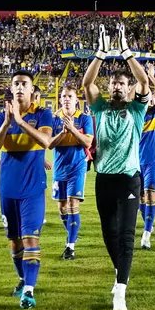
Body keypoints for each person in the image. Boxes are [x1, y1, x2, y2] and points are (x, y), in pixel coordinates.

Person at [81, 24, 150, 310]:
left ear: (128, 88)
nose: (118, 86)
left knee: (126, 235)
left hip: (129, 179)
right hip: (104, 180)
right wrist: (101, 53)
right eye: (114, 83)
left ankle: (120, 290)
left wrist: (125, 51)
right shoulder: (100, 108)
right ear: (109, 88)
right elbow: (87, 84)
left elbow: (144, 81)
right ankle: (120, 272)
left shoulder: (137, 109)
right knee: (108, 233)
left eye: (122, 83)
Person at [0, 70, 54, 309]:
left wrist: (20, 121)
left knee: (30, 238)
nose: (19, 87)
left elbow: (46, 141)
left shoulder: (43, 114)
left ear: (31, 90)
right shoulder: (0, 116)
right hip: (7, 188)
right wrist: (8, 123)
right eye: (15, 83)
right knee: (14, 243)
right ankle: (22, 279)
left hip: (33, 189)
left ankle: (29, 291)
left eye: (24, 84)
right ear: (11, 88)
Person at [49, 84, 94, 260]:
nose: (67, 99)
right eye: (64, 96)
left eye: (70, 96)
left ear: (76, 100)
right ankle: (72, 234)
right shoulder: (54, 119)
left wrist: (73, 129)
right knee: (62, 207)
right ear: (60, 99)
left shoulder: (84, 119)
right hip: (59, 168)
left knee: (72, 204)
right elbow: (49, 144)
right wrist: (62, 133)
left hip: (77, 167)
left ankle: (70, 247)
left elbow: (87, 143)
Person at [138, 63, 155, 249]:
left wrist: (151, 77)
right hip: (134, 162)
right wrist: (140, 78)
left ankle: (146, 235)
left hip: (152, 161)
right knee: (140, 198)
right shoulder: (135, 112)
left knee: (149, 195)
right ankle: (147, 222)